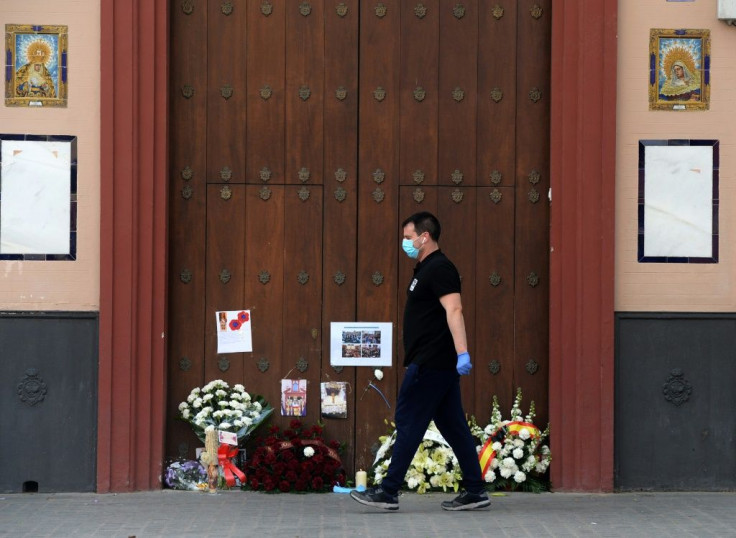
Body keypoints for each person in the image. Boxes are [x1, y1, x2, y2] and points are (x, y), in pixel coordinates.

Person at [350, 211, 490, 511]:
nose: (405, 242)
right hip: (436, 363)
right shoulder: (426, 268)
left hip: (431, 363)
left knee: (409, 422)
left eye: (408, 237)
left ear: (424, 237)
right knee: (454, 427)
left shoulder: (440, 268)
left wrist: (463, 352)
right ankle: (476, 490)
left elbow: (455, 310)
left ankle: (388, 491)